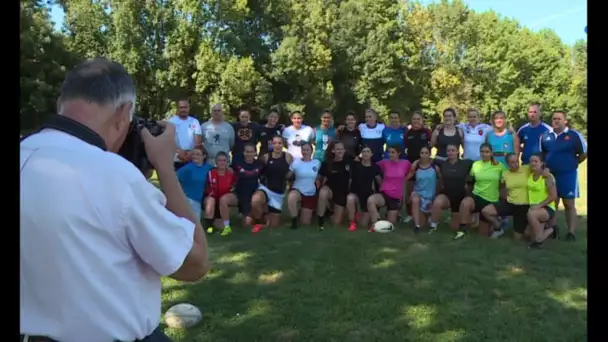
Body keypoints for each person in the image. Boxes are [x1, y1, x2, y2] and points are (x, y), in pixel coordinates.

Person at [20, 57, 209, 342]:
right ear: (124, 111)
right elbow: (195, 262)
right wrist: (165, 167)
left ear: (62, 101)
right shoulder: (115, 175)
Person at [540, 111, 587, 241]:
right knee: (552, 202)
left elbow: (583, 153)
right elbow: (542, 155)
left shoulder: (573, 135)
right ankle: (553, 229)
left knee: (568, 203)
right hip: (550, 175)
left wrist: (574, 163)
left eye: (559, 119)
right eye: (554, 118)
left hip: (568, 174)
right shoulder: (545, 136)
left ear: (565, 121)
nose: (556, 121)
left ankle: (571, 233)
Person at [453, 143, 505, 240]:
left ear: (491, 153)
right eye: (482, 152)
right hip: (477, 196)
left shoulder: (500, 166)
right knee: (465, 202)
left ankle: (497, 223)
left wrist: (502, 201)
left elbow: (504, 184)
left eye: (487, 152)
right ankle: (462, 229)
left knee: (483, 234)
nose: (484, 154)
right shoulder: (476, 165)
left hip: (491, 199)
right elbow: (470, 182)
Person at [480, 153, 531, 240]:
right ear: (508, 164)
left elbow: (541, 168)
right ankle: (498, 226)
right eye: (512, 163)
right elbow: (502, 187)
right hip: (510, 203)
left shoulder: (527, 169)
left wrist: (547, 173)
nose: (515, 164)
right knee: (486, 211)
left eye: (517, 162)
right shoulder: (505, 174)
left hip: (523, 205)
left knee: (518, 238)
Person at [251, 135, 293, 232]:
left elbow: (292, 173)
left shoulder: (288, 157)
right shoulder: (265, 157)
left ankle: (265, 213)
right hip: (265, 188)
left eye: (279, 143)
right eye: (275, 143)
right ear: (271, 144)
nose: (277, 145)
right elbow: (256, 171)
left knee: (273, 225)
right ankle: (259, 221)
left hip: (278, 193)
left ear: (283, 144)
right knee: (255, 200)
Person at [429, 145, 473, 232]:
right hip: (447, 196)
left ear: (458, 152)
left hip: (460, 197)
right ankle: (433, 225)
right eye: (448, 151)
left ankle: (470, 218)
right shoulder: (442, 163)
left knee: (455, 227)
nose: (450, 152)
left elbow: (479, 164)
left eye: (453, 150)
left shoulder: (466, 163)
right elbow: (427, 160)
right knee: (438, 201)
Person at [367, 145, 412, 229]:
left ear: (398, 153)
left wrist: (405, 179)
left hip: (396, 197)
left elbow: (412, 171)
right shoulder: (384, 162)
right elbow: (371, 166)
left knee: (389, 226)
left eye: (393, 152)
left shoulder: (405, 163)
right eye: (389, 152)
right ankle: (375, 224)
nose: (390, 154)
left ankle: (388, 216)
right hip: (385, 193)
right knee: (371, 200)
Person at [402, 111, 432, 223]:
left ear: (422, 120)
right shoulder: (408, 133)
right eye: (414, 119)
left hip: (424, 163)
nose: (416, 121)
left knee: (425, 188)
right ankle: (410, 213)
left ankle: (427, 211)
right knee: (409, 188)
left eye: (418, 119)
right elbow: (405, 146)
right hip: (411, 163)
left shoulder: (427, 132)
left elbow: (431, 145)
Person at [346, 146, 383, 231]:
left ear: (371, 154)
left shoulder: (375, 167)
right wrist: (349, 191)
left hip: (368, 195)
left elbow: (379, 182)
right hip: (356, 193)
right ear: (361, 154)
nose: (365, 153)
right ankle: (352, 222)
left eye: (368, 151)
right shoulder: (355, 165)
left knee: (363, 224)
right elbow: (350, 180)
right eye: (363, 151)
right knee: (350, 198)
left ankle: (360, 214)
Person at [317, 141, 352, 230]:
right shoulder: (327, 164)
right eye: (337, 149)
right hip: (330, 190)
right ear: (333, 151)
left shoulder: (350, 162)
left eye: (341, 149)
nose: (340, 151)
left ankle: (335, 212)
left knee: (336, 223)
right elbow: (319, 178)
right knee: (323, 192)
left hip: (342, 194)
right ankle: (320, 219)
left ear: (344, 150)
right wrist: (318, 182)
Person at [527, 153, 559, 249]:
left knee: (531, 214)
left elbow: (553, 196)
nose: (533, 163)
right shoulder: (530, 175)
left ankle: (539, 242)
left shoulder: (547, 177)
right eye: (531, 161)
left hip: (547, 208)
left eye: (536, 161)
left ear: (542, 163)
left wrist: (539, 206)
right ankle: (551, 230)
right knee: (527, 234)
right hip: (535, 208)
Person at [286, 142, 322, 229]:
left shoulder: (317, 163)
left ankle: (303, 211)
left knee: (305, 222)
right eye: (303, 150)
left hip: (310, 193)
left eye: (307, 150)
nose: (305, 152)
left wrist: (319, 180)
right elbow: (288, 176)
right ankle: (294, 222)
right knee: (291, 197)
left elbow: (320, 176)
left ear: (311, 151)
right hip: (297, 189)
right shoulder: (296, 162)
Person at [405, 146, 440, 233]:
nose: (424, 155)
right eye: (422, 153)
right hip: (418, 195)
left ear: (430, 154)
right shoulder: (415, 166)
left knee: (426, 222)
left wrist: (435, 198)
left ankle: (430, 216)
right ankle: (416, 226)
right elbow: (406, 179)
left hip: (431, 197)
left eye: (426, 153)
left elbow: (440, 182)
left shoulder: (435, 167)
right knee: (421, 223)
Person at [203, 152, 238, 236]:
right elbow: (207, 189)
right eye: (219, 160)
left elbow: (234, 188)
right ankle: (209, 226)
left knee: (224, 199)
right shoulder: (211, 173)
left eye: (224, 160)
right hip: (214, 201)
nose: (222, 163)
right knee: (210, 200)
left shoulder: (231, 174)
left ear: (227, 162)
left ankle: (226, 226)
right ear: (216, 162)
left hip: (225, 202)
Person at [177, 146, 213, 221]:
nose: (195, 156)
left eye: (198, 154)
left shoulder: (208, 168)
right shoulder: (187, 168)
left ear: (204, 156)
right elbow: (174, 179)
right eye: (193, 154)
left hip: (199, 200)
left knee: (195, 224)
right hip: (188, 199)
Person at [232, 143, 264, 227]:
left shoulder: (259, 164)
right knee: (246, 225)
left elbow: (264, 177)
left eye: (251, 152)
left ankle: (260, 215)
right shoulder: (237, 163)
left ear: (255, 153)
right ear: (243, 152)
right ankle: (246, 214)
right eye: (247, 151)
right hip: (241, 193)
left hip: (254, 192)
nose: (249, 154)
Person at [168, 98, 202, 170]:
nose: (183, 110)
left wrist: (191, 153)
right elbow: (168, 141)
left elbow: (198, 142)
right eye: (181, 107)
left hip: (192, 158)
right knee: (175, 180)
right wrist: (178, 151)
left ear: (189, 108)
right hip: (175, 157)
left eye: (185, 107)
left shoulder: (195, 122)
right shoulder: (171, 122)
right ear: (178, 109)